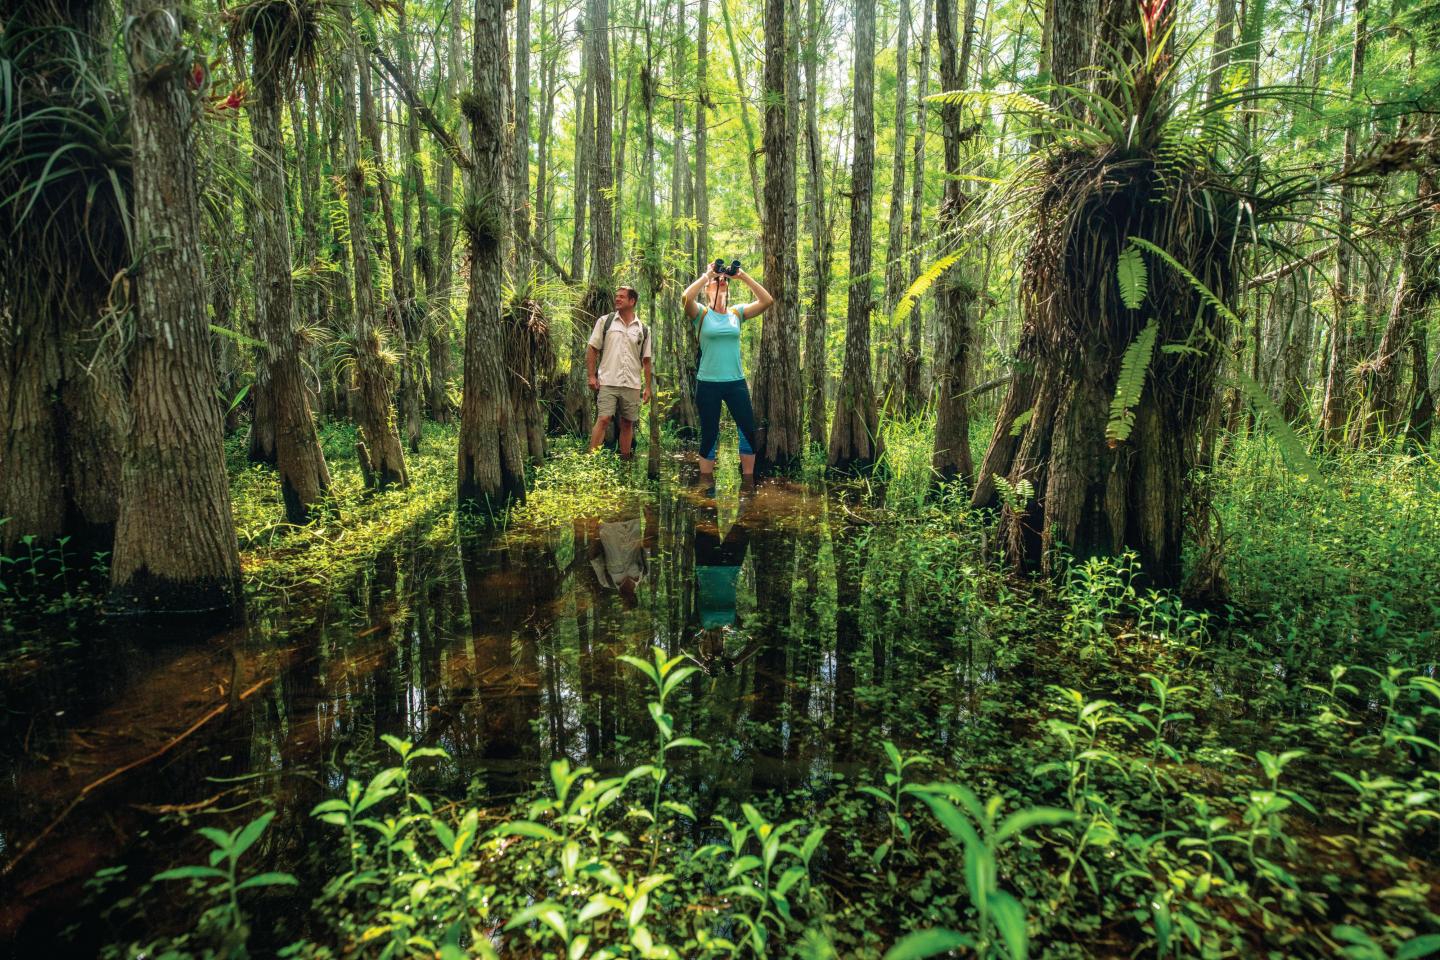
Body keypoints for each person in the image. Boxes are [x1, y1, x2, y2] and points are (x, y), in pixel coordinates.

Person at [681, 263, 774, 478]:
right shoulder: (701, 314)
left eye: (725, 280)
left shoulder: (737, 313)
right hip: (708, 384)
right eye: (717, 280)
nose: (722, 281)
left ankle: (748, 484)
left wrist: (743, 276)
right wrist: (708, 275)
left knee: (746, 431)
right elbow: (686, 298)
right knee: (710, 435)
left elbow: (767, 301)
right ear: (707, 290)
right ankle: (707, 487)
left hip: (735, 383)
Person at [587, 285, 653, 459]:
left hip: (632, 383)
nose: (617, 299)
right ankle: (591, 462)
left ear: (632, 301)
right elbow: (593, 348)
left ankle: (625, 462)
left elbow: (646, 360)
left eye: (622, 297)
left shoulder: (643, 329)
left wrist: (648, 387)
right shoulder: (605, 321)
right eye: (617, 296)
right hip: (608, 380)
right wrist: (591, 375)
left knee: (627, 423)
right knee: (604, 419)